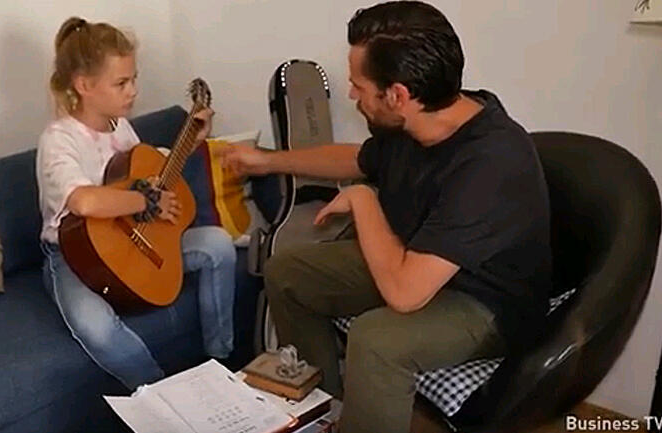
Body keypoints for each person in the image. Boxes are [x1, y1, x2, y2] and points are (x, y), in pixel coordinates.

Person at [219, 2, 552, 432]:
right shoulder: (419, 118)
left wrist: (363, 200)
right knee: (288, 272)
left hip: (484, 302)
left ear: (397, 95)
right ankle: (325, 413)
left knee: (378, 340)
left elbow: (405, 294)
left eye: (358, 86)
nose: (351, 95)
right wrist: (266, 161)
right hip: (418, 258)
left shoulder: (490, 162)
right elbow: (356, 159)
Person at [36, 17, 236, 391]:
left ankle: (221, 361)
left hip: (128, 239)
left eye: (134, 79)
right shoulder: (59, 139)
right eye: (122, 83)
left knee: (218, 246)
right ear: (84, 85)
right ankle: (160, 394)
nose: (134, 91)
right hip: (73, 255)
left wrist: (190, 142)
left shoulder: (120, 127)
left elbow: (147, 173)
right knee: (94, 325)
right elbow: (84, 200)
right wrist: (144, 200)